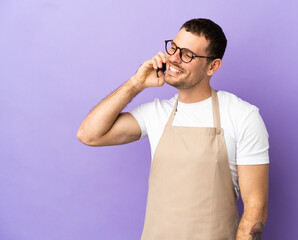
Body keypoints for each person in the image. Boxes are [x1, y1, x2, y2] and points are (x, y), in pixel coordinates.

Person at [77, 18, 269, 240]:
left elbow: (256, 206)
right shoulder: (156, 113)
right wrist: (136, 83)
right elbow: (89, 134)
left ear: (213, 66)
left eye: (187, 54)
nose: (174, 59)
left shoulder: (242, 116)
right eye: (174, 48)